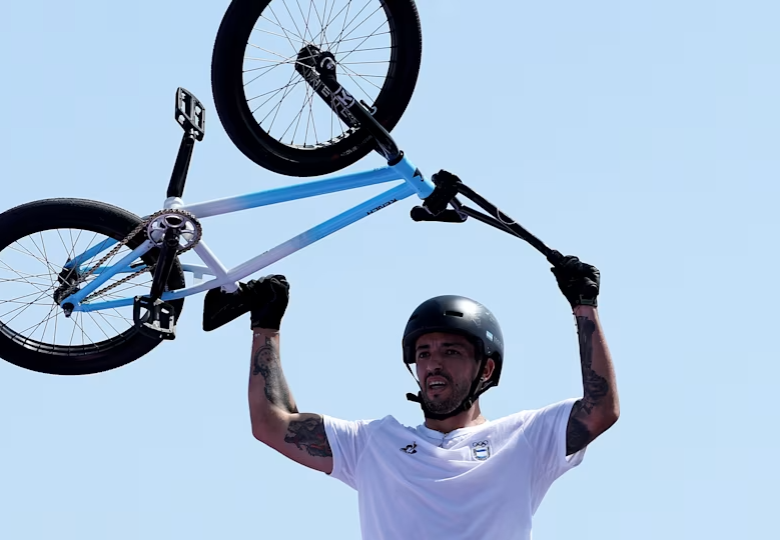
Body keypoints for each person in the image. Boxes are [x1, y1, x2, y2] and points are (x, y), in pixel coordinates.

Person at [207, 253, 619, 539]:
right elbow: (272, 423)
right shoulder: (371, 443)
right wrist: (266, 326)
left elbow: (600, 409)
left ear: (486, 370)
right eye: (423, 353)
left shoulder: (526, 437)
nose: (433, 364)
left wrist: (584, 306)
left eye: (451, 352)